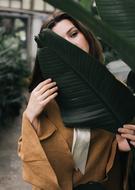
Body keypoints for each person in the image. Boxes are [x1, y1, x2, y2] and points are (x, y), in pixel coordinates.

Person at [18, 11, 135, 190]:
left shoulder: (115, 91)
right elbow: (29, 158)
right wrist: (30, 117)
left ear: (87, 37)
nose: (69, 45)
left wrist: (122, 148)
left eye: (73, 34)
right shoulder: (44, 97)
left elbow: (118, 158)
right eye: (59, 42)